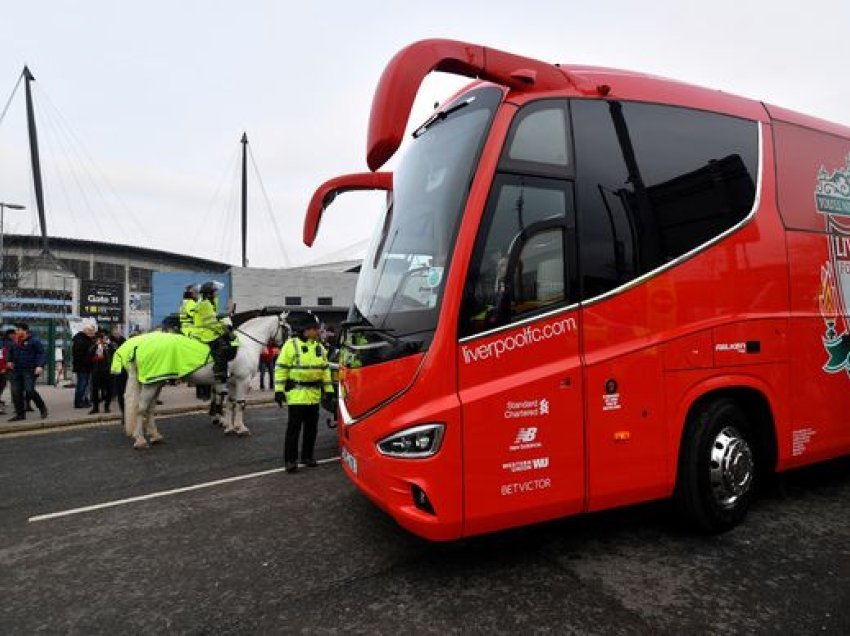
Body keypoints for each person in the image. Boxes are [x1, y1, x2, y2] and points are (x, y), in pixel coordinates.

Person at [274, 311, 334, 473]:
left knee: (311, 429)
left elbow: (325, 370)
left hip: (313, 396)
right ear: (306, 330)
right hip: (296, 394)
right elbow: (281, 368)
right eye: (315, 329)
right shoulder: (290, 345)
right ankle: (290, 460)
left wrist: (328, 390)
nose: (317, 331)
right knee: (294, 430)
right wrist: (279, 390)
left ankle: (307, 456)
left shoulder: (319, 347)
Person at [191, 281, 234, 402]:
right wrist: (224, 331)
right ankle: (219, 375)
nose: (216, 293)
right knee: (222, 347)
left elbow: (214, 319)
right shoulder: (205, 304)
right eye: (215, 291)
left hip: (208, 329)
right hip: (204, 332)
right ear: (209, 293)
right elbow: (211, 322)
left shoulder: (209, 302)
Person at [7, 323, 48, 421]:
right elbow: (11, 352)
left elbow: (41, 354)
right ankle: (20, 414)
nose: (17, 331)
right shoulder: (15, 342)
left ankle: (42, 408)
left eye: (19, 329)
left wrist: (39, 365)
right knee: (16, 392)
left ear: (25, 331)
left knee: (29, 390)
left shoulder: (34, 341)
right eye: (16, 330)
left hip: (29, 370)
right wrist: (9, 361)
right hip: (16, 370)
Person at [88, 329, 114, 413]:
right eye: (101, 337)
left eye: (104, 337)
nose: (102, 339)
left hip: (107, 370)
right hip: (97, 370)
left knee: (109, 390)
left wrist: (108, 345)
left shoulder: (110, 345)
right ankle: (96, 407)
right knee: (95, 390)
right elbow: (89, 353)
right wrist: (96, 345)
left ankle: (107, 406)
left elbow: (116, 352)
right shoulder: (95, 345)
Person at [72, 323, 96, 408]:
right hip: (82, 366)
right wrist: (89, 360)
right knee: (82, 384)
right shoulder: (81, 340)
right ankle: (78, 402)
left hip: (86, 366)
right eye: (90, 331)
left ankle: (83, 400)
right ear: (85, 331)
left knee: (85, 385)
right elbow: (79, 355)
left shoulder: (87, 339)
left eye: (93, 331)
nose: (92, 333)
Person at [110, 326, 128, 415]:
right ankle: (114, 395)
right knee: (113, 384)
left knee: (121, 388)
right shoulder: (110, 341)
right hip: (114, 366)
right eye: (115, 333)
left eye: (118, 333)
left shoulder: (124, 340)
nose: (117, 334)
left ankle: (124, 412)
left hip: (123, 368)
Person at [0, 328, 13, 414]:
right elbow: (3, 357)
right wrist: (3, 367)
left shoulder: (5, 343)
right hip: (3, 368)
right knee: (2, 384)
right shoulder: (7, 344)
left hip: (3, 367)